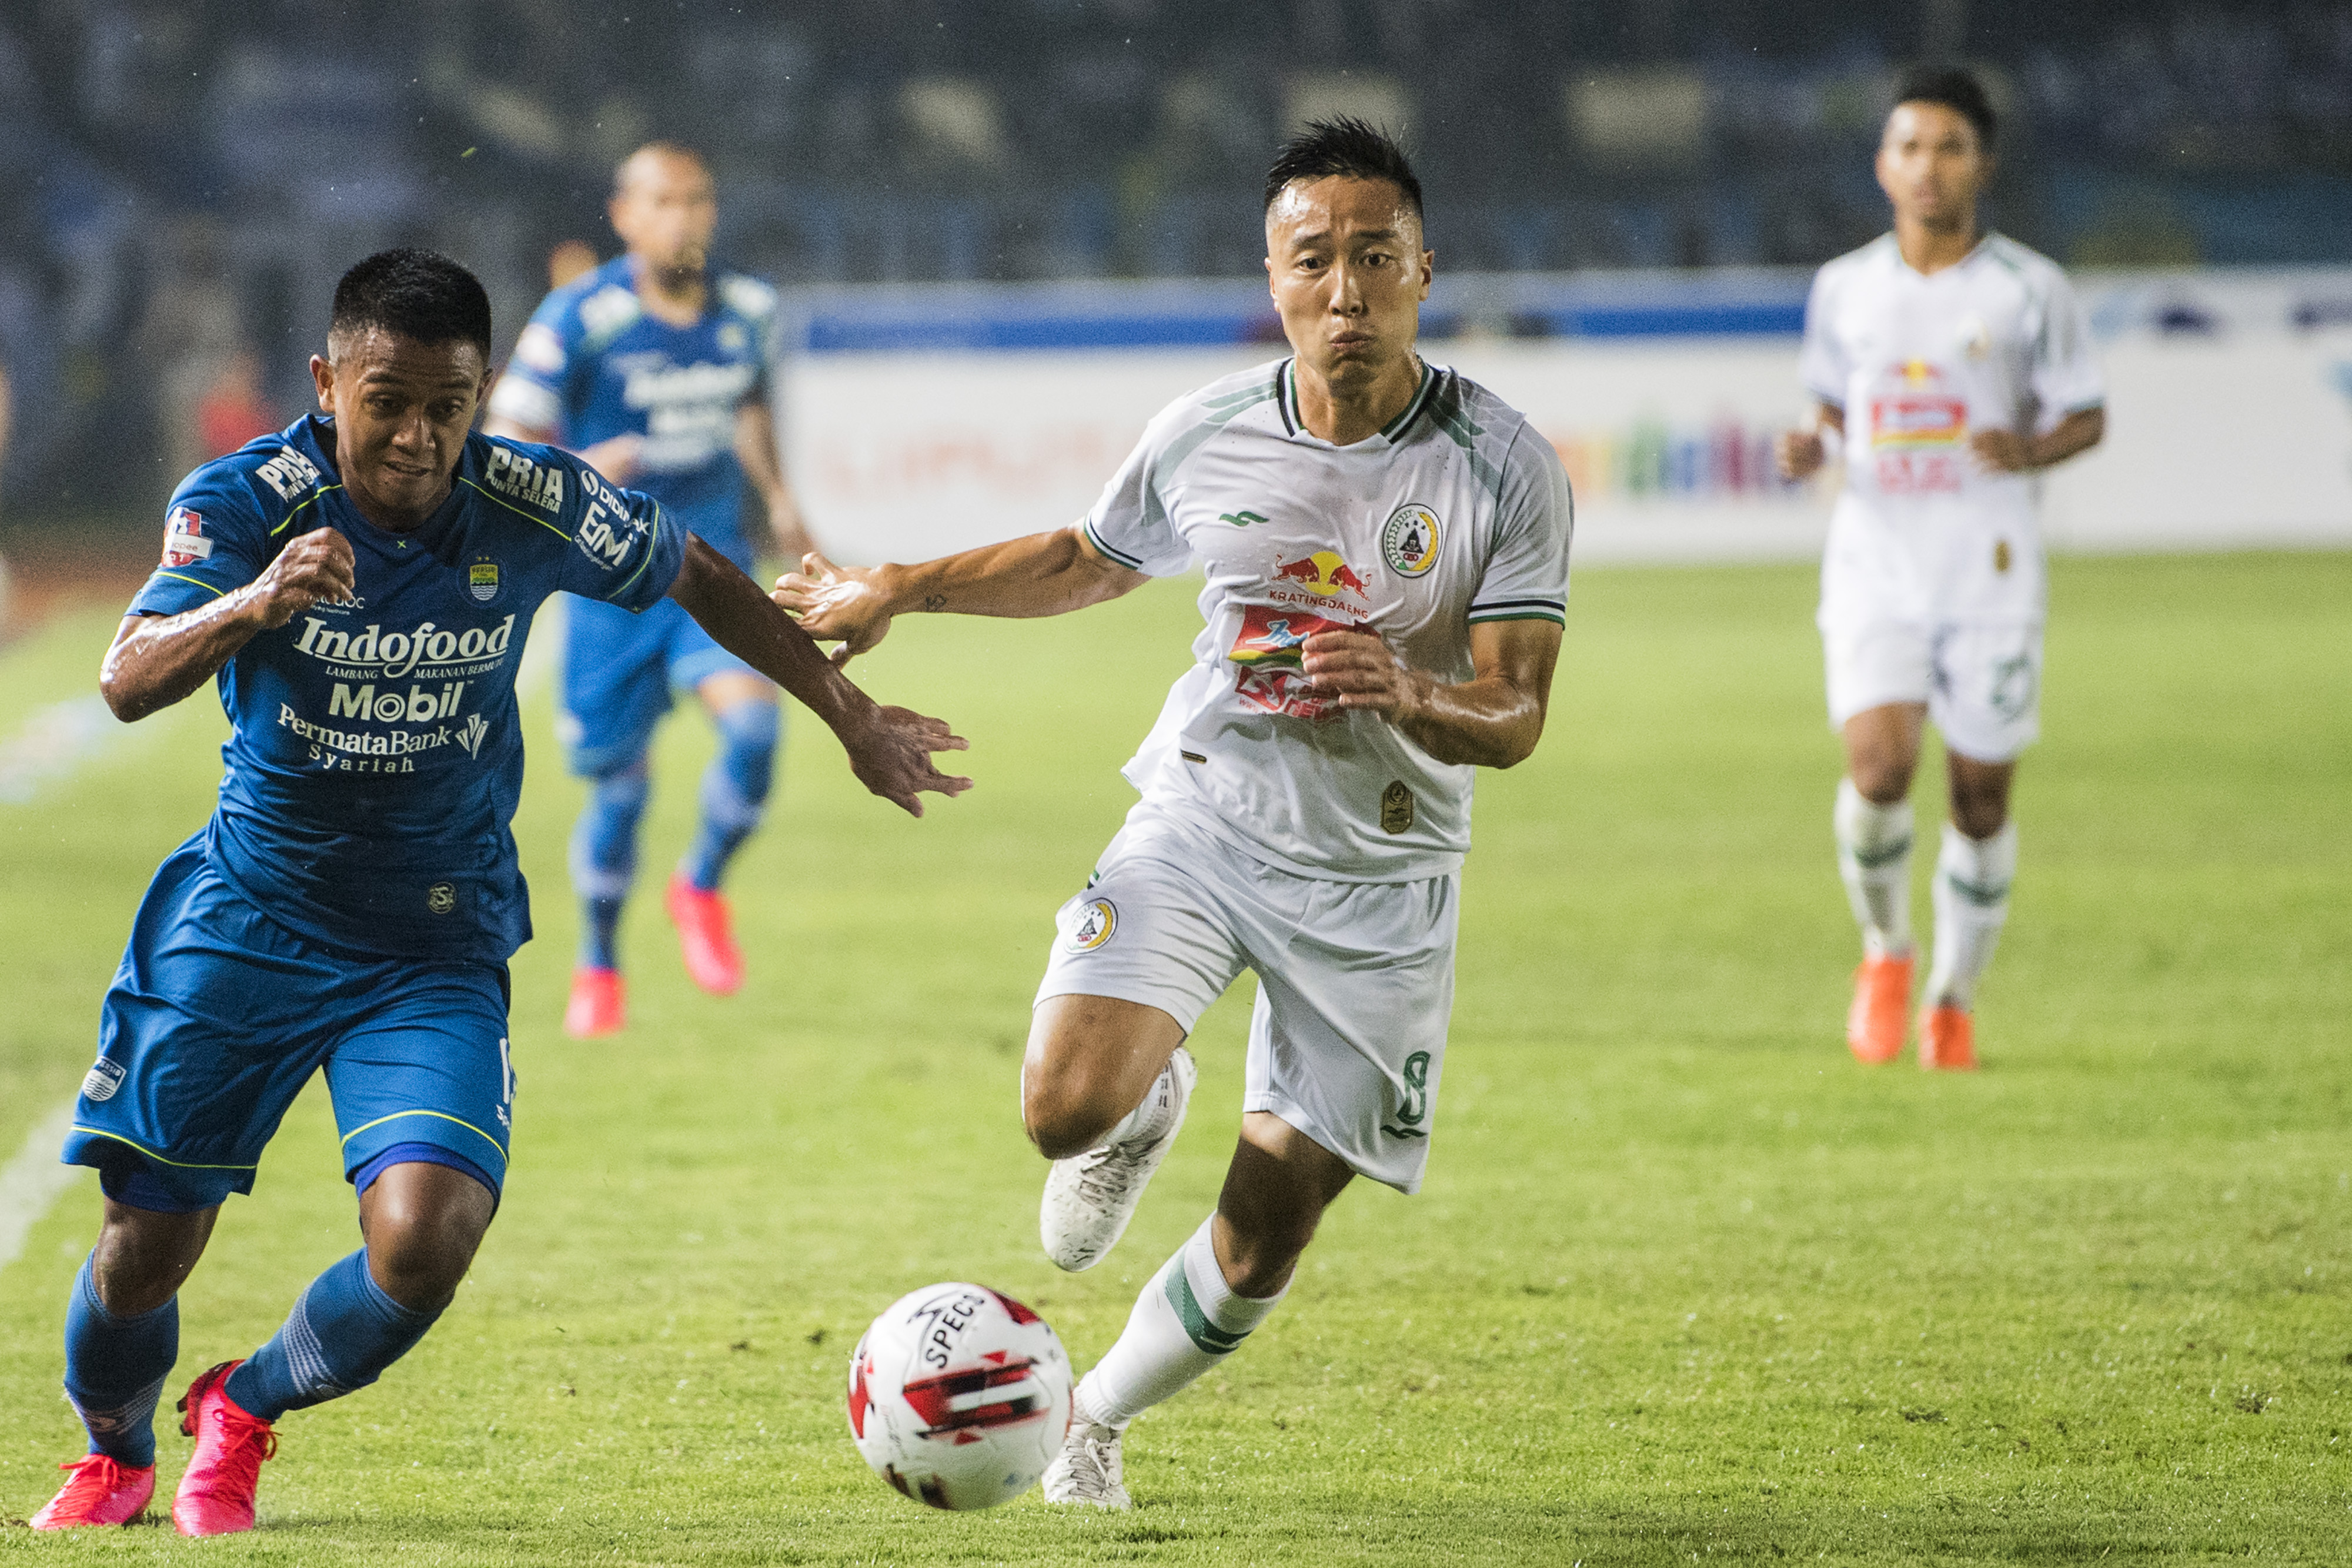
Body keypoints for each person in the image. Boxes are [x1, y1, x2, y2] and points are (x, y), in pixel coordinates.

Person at [29, 249, 965, 1536]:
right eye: (388, 400)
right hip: (249, 915)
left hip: (432, 936)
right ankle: (114, 1449)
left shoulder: (527, 500)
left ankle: (240, 1405)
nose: (417, 437)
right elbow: (127, 677)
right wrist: (258, 598)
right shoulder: (249, 496)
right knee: (143, 1243)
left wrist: (847, 711)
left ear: (481, 398)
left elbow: (692, 567)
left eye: (448, 406)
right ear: (325, 383)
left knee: (425, 1237)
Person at [777, 118, 1572, 1509]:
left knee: (1267, 1234)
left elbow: (1516, 713)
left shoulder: (1504, 464)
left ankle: (1091, 1416)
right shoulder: (1206, 430)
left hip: (1380, 881)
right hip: (1204, 814)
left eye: (1373, 258)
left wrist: (1401, 686)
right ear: (1270, 276)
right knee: (1059, 1110)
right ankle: (1147, 1100)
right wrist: (900, 582)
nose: (1344, 290)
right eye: (1312, 259)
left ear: (1423, 270)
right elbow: (1086, 560)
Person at [1774, 69, 2104, 1071]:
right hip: (1876, 560)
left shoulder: (2028, 289)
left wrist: (2030, 450)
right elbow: (1828, 407)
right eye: (1910, 147)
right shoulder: (1845, 288)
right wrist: (1809, 445)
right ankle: (1886, 952)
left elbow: (2086, 412)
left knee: (1980, 798)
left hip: (1991, 570)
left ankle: (1954, 998)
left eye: (1949, 147)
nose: (1928, 166)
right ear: (1883, 165)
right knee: (1878, 770)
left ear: (1982, 165)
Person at [484, 142, 816, 1038]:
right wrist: (586, 466)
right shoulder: (578, 317)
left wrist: (784, 504)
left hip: (712, 572)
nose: (683, 218)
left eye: (697, 200)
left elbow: (748, 407)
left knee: (754, 729)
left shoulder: (749, 309)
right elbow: (503, 440)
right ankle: (599, 962)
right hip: (610, 586)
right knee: (620, 795)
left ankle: (700, 884)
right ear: (625, 215)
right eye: (663, 202)